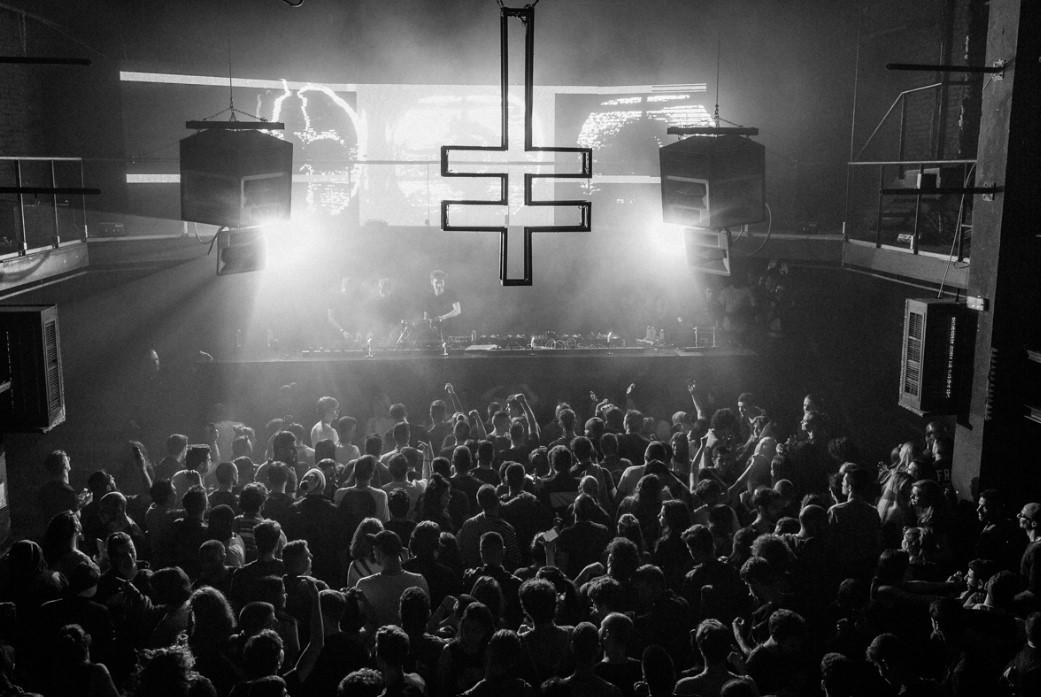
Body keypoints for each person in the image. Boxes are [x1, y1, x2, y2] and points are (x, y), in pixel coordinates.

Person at [423, 269, 462, 339]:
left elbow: (457, 311)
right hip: (435, 332)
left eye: (441, 282)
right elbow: (426, 317)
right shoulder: (428, 297)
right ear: (432, 282)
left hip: (451, 330)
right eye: (436, 282)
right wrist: (430, 326)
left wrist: (442, 317)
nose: (439, 285)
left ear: (444, 282)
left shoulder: (451, 294)